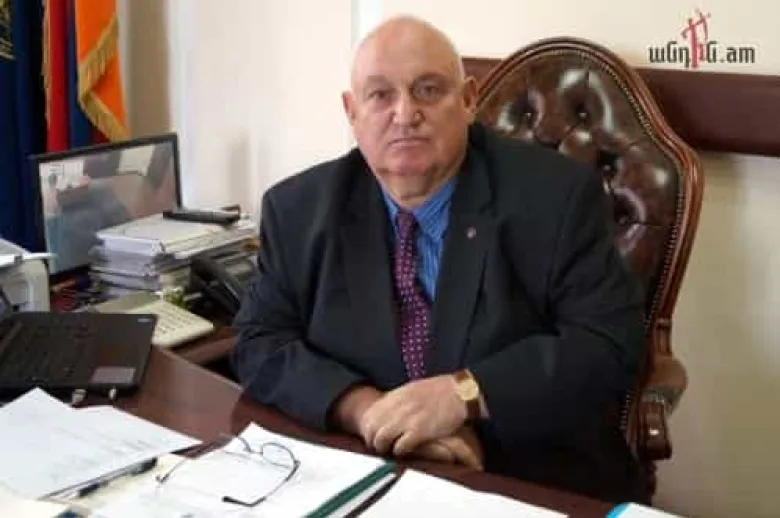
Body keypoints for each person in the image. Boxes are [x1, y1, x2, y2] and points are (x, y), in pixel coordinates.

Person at [232, 15, 648, 503]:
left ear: (469, 100)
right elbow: (260, 340)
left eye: (428, 90)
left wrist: (462, 395)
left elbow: (608, 343)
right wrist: (365, 410)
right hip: (364, 470)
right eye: (380, 95)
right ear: (352, 110)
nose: (405, 114)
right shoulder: (298, 210)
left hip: (527, 479)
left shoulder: (557, 196)